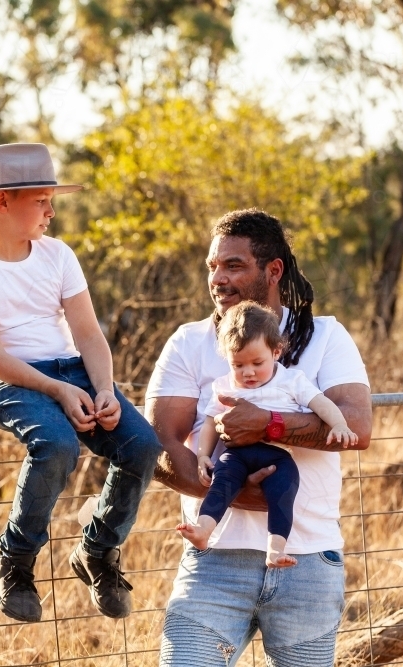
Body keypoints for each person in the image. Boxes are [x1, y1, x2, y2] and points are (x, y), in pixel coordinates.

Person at [0, 142, 163, 622]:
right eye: (41, 199)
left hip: (75, 368)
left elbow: (87, 332)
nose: (51, 210)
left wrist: (103, 388)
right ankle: (15, 561)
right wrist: (60, 391)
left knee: (142, 445)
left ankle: (98, 550)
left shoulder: (58, 254)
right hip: (11, 379)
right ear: (2, 201)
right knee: (58, 446)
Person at [145, 209, 372, 666]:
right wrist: (232, 491)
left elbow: (357, 427)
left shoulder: (324, 337)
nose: (218, 279)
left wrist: (268, 424)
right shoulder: (188, 342)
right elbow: (158, 446)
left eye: (233, 265)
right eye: (213, 266)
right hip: (214, 560)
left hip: (306, 558)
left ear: (273, 271)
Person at [175, 300, 358, 568]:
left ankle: (276, 549)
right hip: (236, 455)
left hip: (279, 456)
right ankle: (203, 530)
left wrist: (339, 425)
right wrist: (203, 455)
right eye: (238, 365)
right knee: (221, 481)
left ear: (276, 351)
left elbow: (321, 404)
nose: (247, 372)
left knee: (284, 489)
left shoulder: (291, 381)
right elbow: (211, 421)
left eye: (256, 363)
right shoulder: (224, 386)